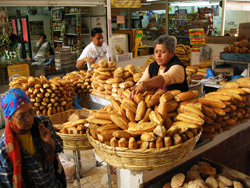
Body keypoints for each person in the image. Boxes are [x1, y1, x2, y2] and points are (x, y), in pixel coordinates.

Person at [0, 88, 66, 188]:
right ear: (10, 118)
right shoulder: (5, 148)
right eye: (22, 116)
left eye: (31, 112)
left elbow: (59, 147)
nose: (29, 119)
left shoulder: (42, 123)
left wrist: (49, 141)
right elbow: (7, 183)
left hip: (53, 183)